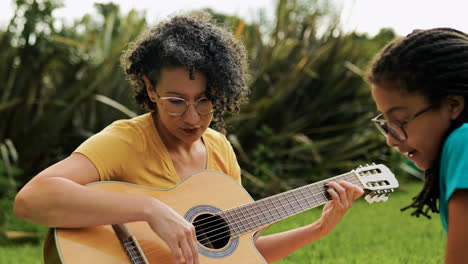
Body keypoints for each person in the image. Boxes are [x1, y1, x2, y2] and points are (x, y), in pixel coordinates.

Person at [14, 11, 363, 264]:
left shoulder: (221, 151)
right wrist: (149, 209)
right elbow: (31, 199)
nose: (193, 117)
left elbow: (240, 257)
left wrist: (317, 229)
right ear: (150, 89)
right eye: (176, 102)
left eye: (205, 101)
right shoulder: (125, 141)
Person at [365, 28, 468, 263]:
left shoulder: (464, 142)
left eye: (400, 121)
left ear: (453, 105)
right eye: (386, 123)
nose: (391, 139)